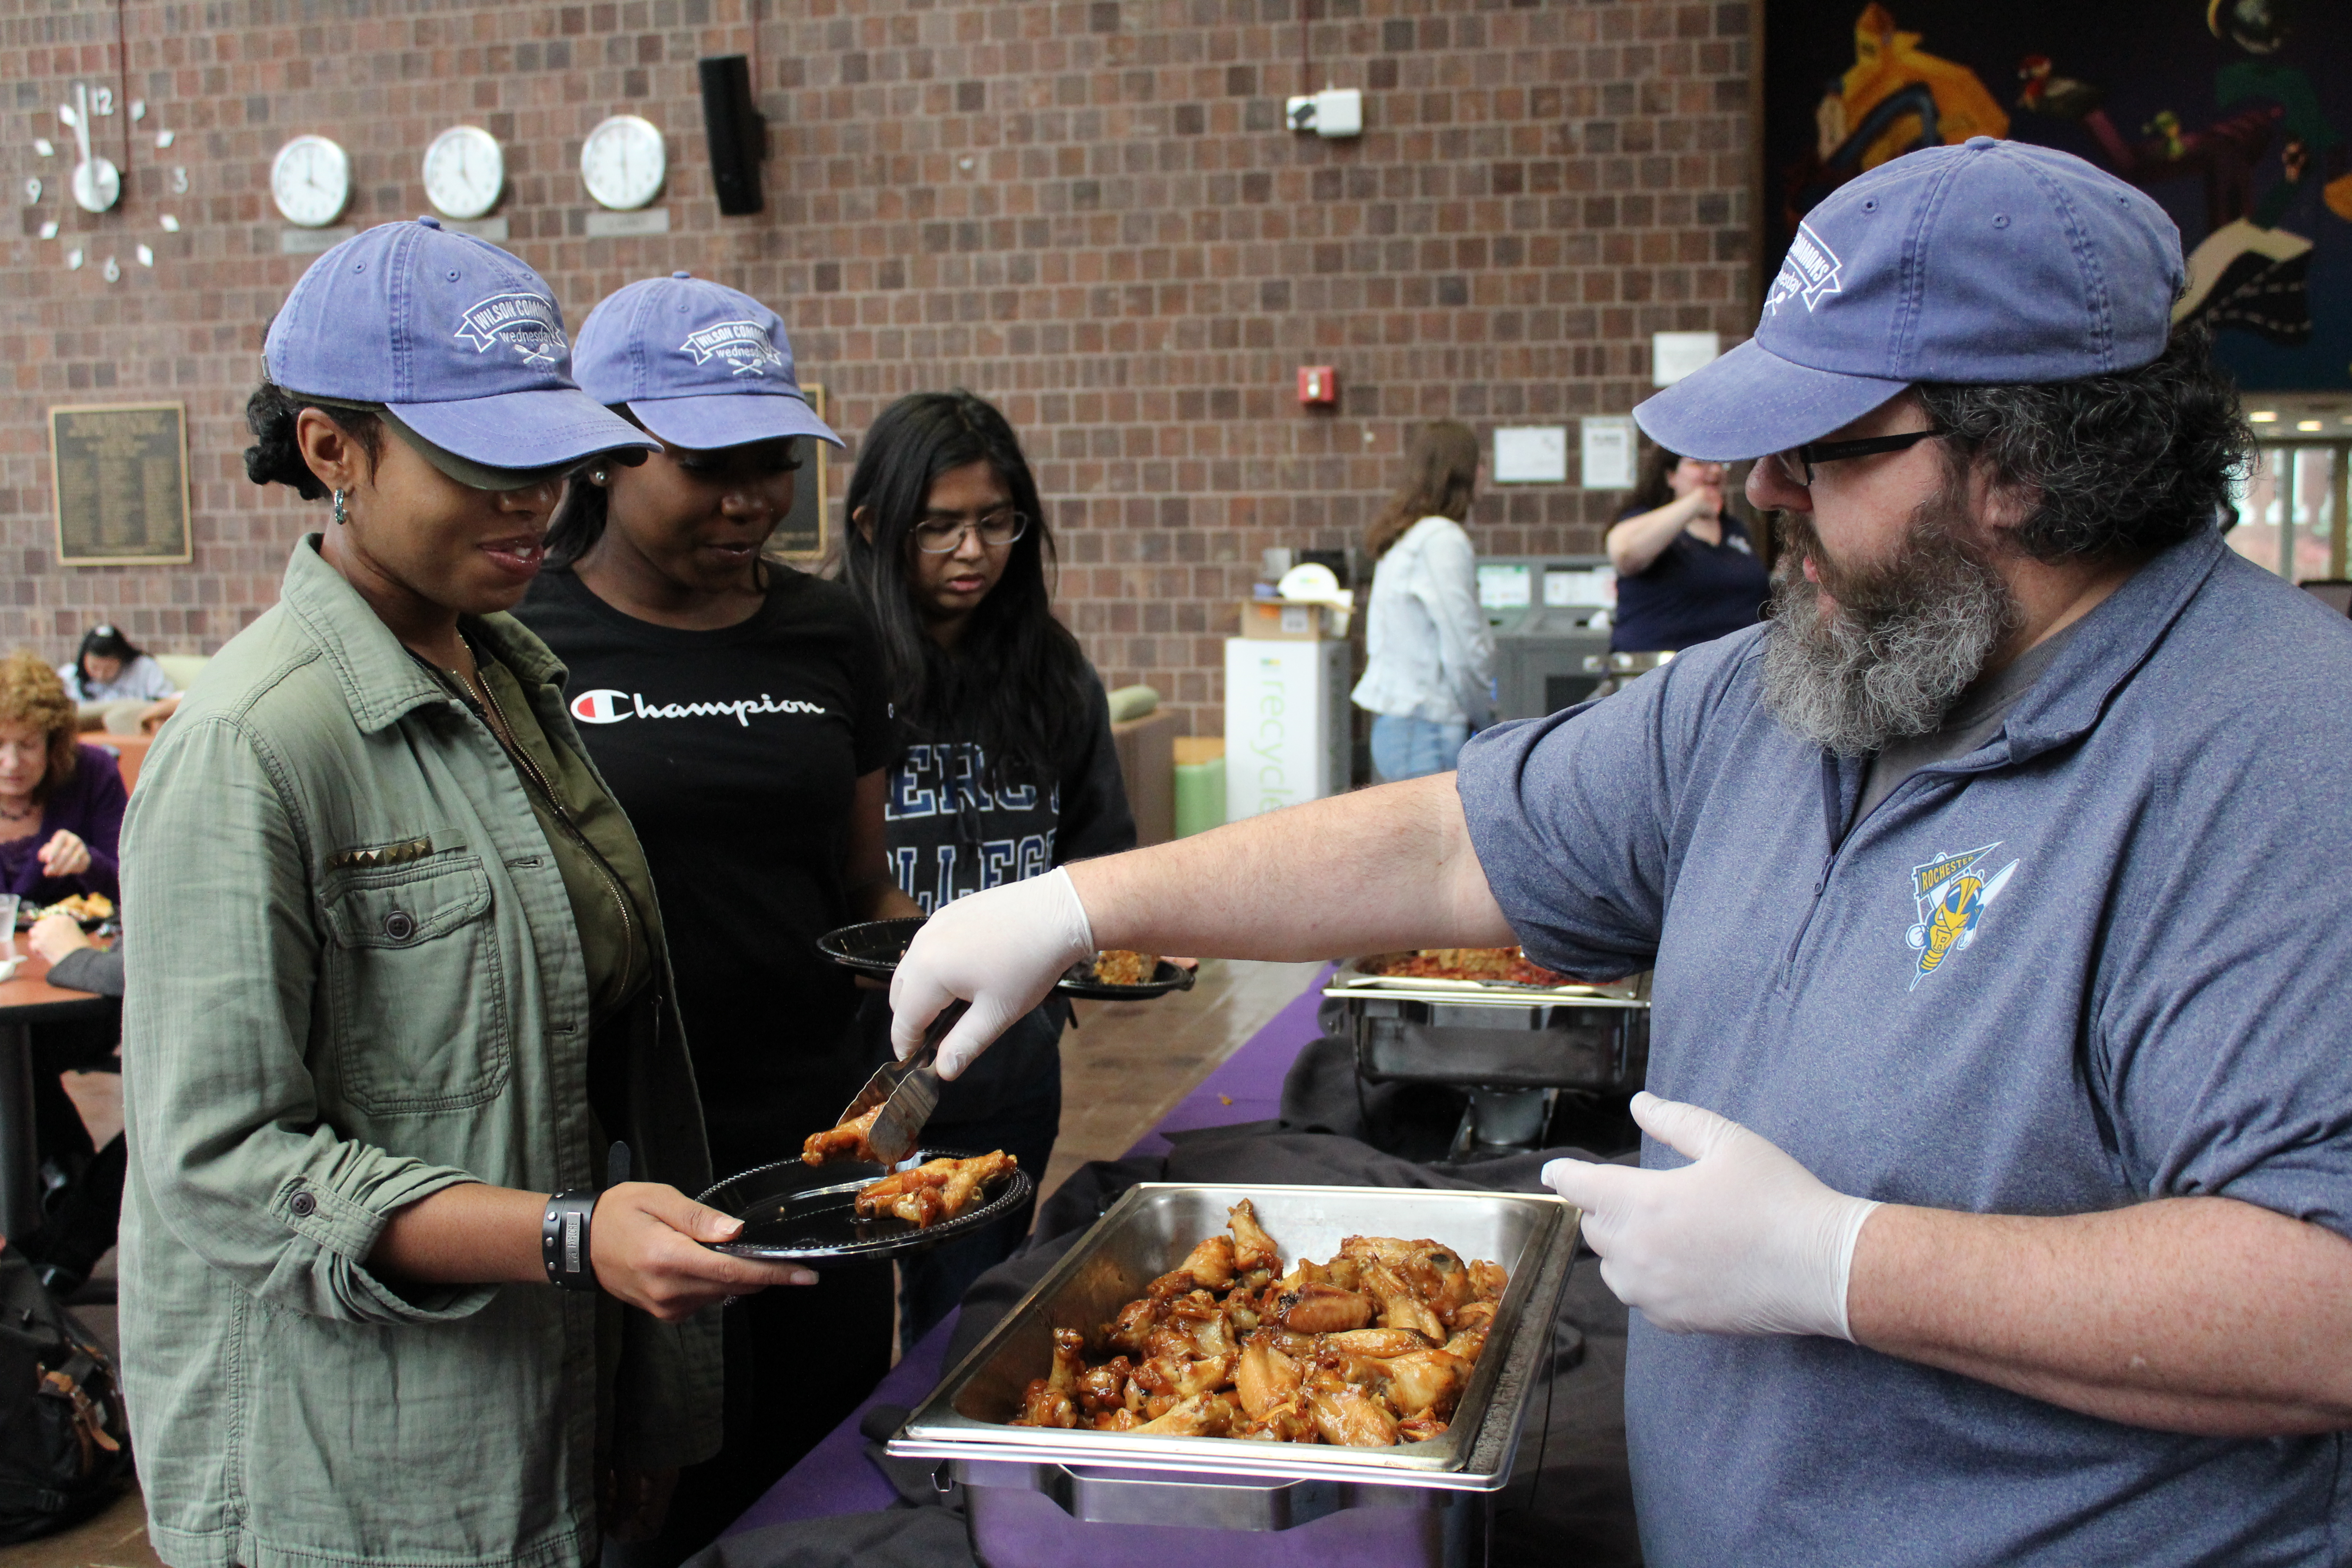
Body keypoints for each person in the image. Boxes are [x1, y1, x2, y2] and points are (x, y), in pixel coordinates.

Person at [882, 140, 2352, 1566]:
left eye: (1826, 448)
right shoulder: (1799, 685)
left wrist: (1838, 1265)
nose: (1764, 490)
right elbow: (1454, 835)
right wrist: (1083, 901)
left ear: (2022, 471)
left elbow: (2322, 1295)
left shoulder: (2277, 759)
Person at [118, 219, 809, 1568]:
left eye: (549, 458)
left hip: (550, 1404)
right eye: (481, 463)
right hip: (363, 1466)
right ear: (333, 451)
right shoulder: (254, 746)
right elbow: (225, 1167)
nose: (532, 502)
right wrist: (566, 1241)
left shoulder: (511, 680)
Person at [512, 272, 916, 1563]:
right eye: (710, 465)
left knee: (817, 1493)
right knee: (646, 1508)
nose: (750, 499)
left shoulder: (827, 632)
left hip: (814, 1151)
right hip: (617, 1164)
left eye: (776, 463)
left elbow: (867, 884)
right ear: (604, 448)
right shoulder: (521, 638)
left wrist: (944, 991)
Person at [839, 390, 1136, 1348]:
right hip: (847, 1064)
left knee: (962, 1326)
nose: (973, 551)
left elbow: (1099, 852)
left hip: (1006, 1065)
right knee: (835, 1344)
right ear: (875, 527)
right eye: (940, 527)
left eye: (996, 523)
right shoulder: (831, 659)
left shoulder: (1051, 671)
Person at [1350, 421, 1493, 780]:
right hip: (1427, 732)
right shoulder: (1441, 540)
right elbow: (1464, 650)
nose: (1483, 472)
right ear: (1459, 472)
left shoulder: (1407, 537)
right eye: (1478, 463)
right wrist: (1489, 720)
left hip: (1402, 730)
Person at [1603, 442, 1769, 652]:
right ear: (1671, 476)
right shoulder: (1646, 522)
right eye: (1699, 464)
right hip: (1660, 668)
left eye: (1719, 463)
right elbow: (1624, 552)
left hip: (1729, 667)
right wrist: (1696, 501)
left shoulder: (1736, 531)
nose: (1715, 471)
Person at [0, 650, 125, 903]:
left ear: (53, 742)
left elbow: (135, 887)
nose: (12, 764)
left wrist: (89, 864)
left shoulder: (93, 773)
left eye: (28, 745)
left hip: (76, 941)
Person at [58, 624, 176, 705]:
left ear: (122, 659)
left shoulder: (145, 668)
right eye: (94, 667)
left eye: (109, 669)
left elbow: (166, 701)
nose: (101, 674)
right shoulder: (69, 677)